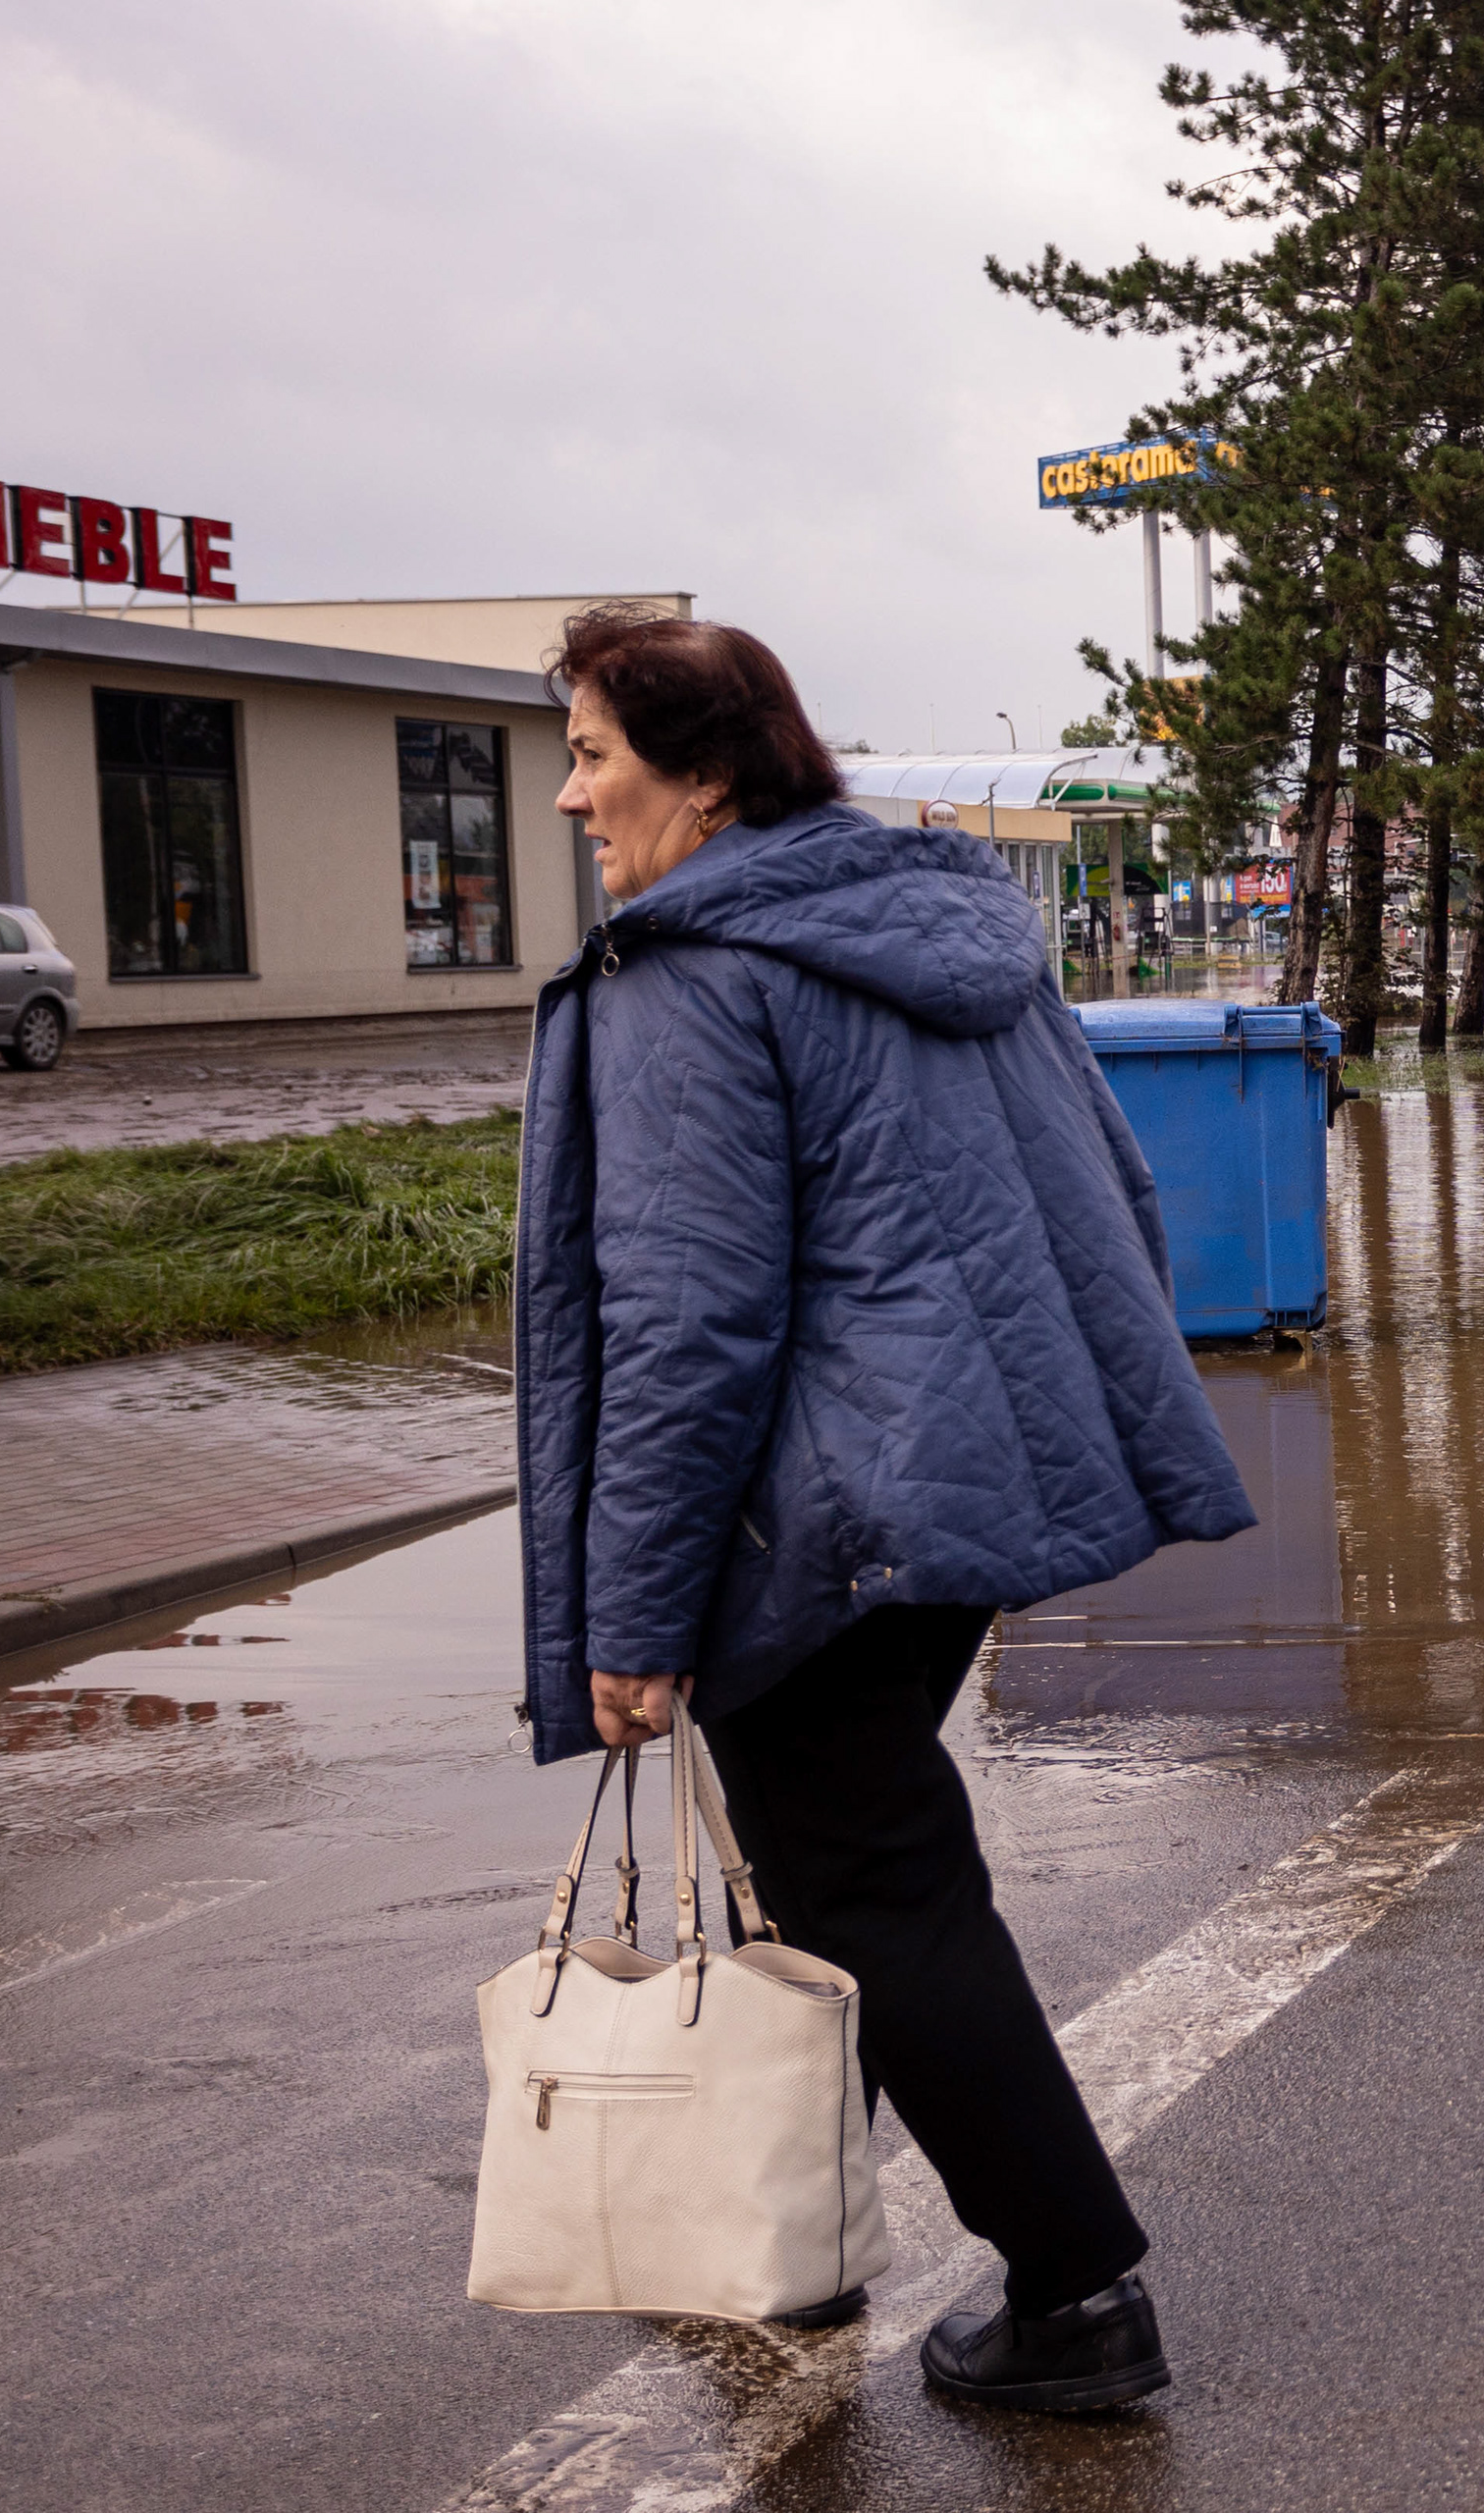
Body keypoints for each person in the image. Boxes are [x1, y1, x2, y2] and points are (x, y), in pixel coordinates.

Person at [514, 605, 1253, 2413]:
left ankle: (1076, 2296)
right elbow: (1115, 1194)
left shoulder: (693, 970)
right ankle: (788, 2226)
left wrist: (634, 1617)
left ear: (704, 776)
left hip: (822, 1519)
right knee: (826, 1873)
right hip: (946, 1494)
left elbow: (686, 1321)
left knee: (874, 1880)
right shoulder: (941, 931)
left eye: (593, 756)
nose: (571, 797)